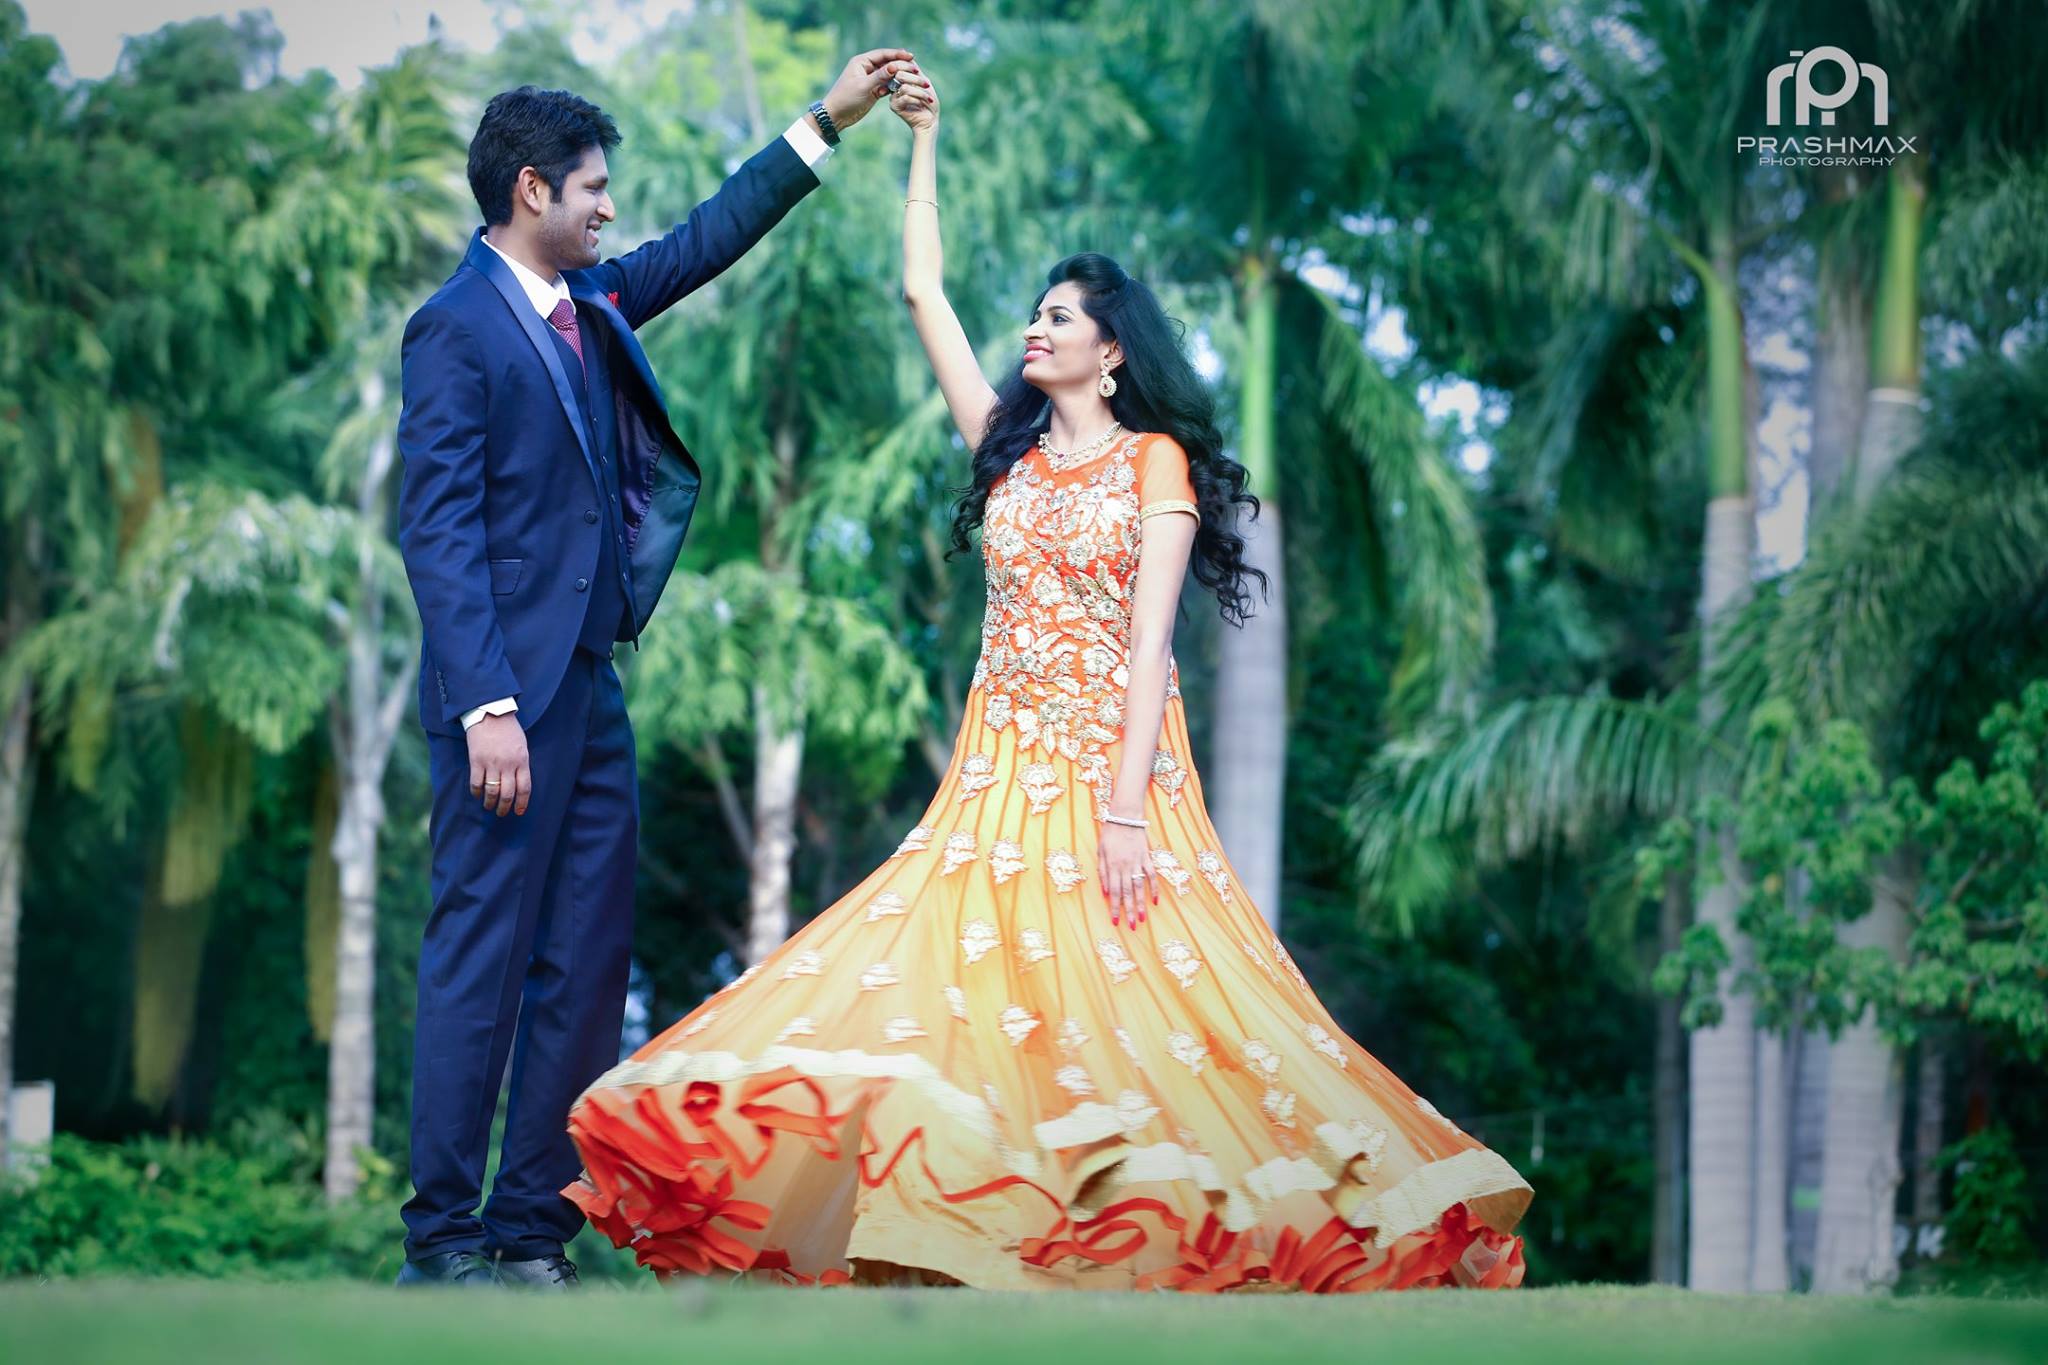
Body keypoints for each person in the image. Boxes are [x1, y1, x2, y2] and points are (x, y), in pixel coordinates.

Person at [560, 67, 1533, 1292]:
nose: (1036, 329)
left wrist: (1125, 813)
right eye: (1034, 316)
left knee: (1145, 999)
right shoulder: (1003, 452)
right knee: (975, 1001)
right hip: (995, 769)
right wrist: (920, 141)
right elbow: (922, 288)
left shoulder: (1156, 466)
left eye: (1059, 319)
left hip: (1111, 773)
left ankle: (1211, 1234)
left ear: (1110, 352)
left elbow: (1147, 652)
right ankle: (986, 1248)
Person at [392, 52, 930, 1290]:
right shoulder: (455, 329)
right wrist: (486, 705)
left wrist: (826, 124)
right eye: (591, 189)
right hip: (499, 712)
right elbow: (439, 530)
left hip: (593, 695)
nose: (609, 209)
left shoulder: (594, 309)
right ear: (531, 191)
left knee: (586, 963)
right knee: (480, 964)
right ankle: (441, 1243)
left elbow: (706, 238)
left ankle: (533, 1232)